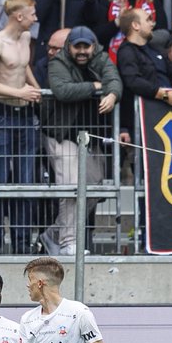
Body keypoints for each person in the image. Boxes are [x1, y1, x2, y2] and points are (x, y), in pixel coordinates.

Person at [44, 25, 121, 256]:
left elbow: (114, 79)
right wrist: (96, 87)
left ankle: (53, 234)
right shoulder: (58, 62)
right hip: (62, 133)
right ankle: (69, 242)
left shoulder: (101, 57)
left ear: (93, 46)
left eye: (85, 47)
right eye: (76, 46)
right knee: (70, 186)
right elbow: (62, 90)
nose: (81, 51)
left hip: (90, 136)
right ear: (68, 47)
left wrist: (112, 93)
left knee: (94, 187)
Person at [0, 0, 42, 255]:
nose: (35, 18)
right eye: (32, 13)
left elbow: (22, 68)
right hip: (2, 113)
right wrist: (19, 94)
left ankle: (22, 242)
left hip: (24, 115)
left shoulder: (26, 38)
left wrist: (38, 91)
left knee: (25, 181)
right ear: (19, 16)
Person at [115, 7, 172, 108]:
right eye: (147, 20)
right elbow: (134, 82)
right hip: (147, 114)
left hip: (171, 110)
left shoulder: (155, 48)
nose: (152, 24)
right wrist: (164, 96)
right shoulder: (126, 52)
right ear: (135, 25)